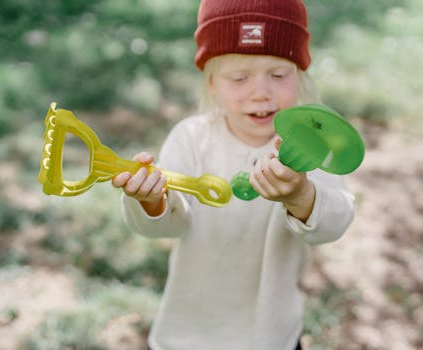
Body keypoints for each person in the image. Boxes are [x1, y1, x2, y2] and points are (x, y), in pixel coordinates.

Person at [112, 0, 355, 349]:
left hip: (269, 335)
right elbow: (167, 225)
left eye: (278, 75)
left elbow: (334, 224)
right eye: (239, 78)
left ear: (300, 77)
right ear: (211, 83)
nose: (260, 92)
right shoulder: (192, 139)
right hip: (188, 332)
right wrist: (152, 202)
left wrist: (301, 196)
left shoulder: (310, 149)